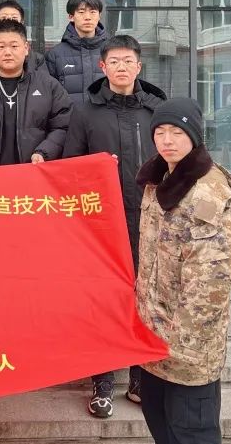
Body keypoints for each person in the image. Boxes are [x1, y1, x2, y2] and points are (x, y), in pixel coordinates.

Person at [135, 97, 231, 444]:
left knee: (192, 437)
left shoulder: (206, 192)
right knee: (162, 429)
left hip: (188, 348)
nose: (167, 140)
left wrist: (181, 345)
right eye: (160, 132)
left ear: (195, 137)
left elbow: (211, 282)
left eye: (177, 133)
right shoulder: (157, 180)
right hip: (153, 338)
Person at [62, 33, 166, 418]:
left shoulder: (158, 111)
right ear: (102, 67)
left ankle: (139, 378)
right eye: (114, 62)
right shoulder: (85, 113)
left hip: (149, 222)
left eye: (128, 61)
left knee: (143, 299)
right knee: (103, 301)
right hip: (102, 225)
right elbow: (71, 167)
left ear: (139, 66)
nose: (122, 68)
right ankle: (102, 382)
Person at [0, 19, 72, 168]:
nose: (7, 52)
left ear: (26, 48)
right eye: (1, 46)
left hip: (34, 173)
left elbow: (63, 126)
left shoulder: (49, 86)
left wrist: (44, 153)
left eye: (14, 46)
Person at [45, 0, 109, 106]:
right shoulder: (55, 55)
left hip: (106, 117)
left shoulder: (111, 51)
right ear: (71, 17)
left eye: (93, 12)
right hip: (68, 116)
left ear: (99, 16)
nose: (87, 17)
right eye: (81, 12)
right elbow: (48, 95)